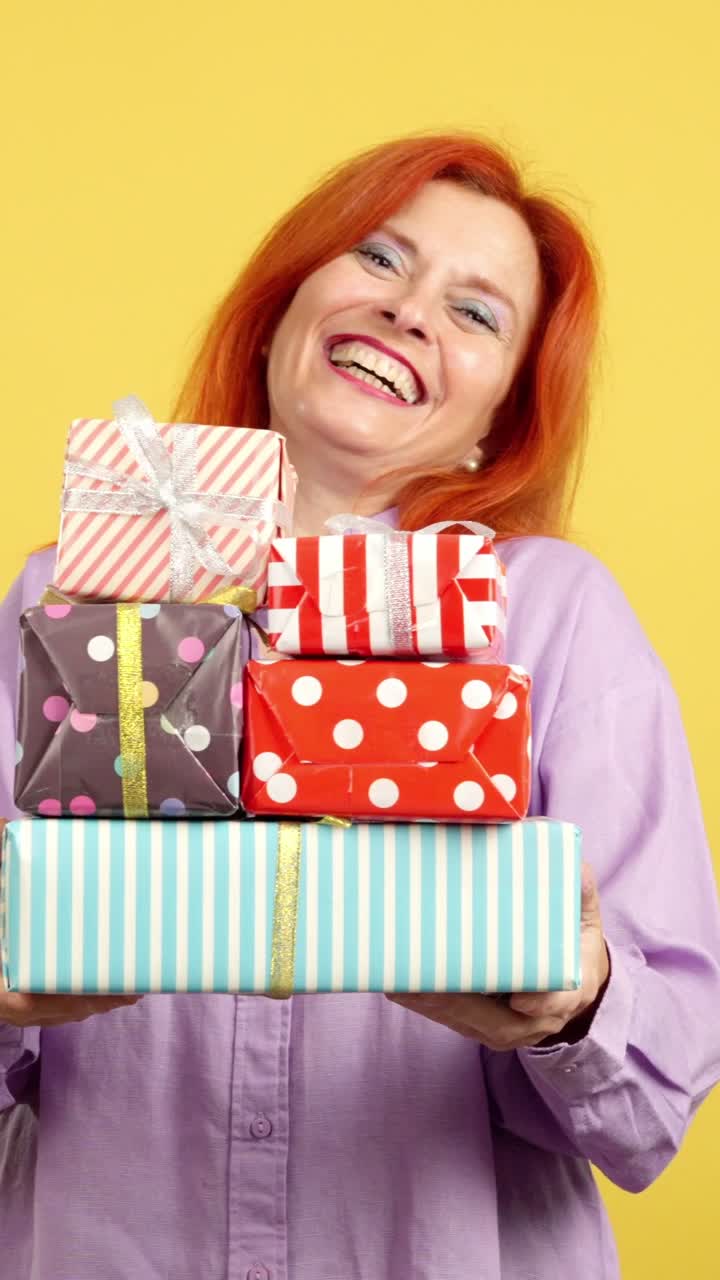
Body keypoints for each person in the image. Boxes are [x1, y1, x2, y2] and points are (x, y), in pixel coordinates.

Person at [1, 132, 719, 1280]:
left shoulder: (557, 616)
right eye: (380, 258)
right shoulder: (69, 598)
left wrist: (574, 1006)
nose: (411, 311)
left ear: (500, 415)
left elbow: (652, 1113)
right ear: (288, 304)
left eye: (478, 312)